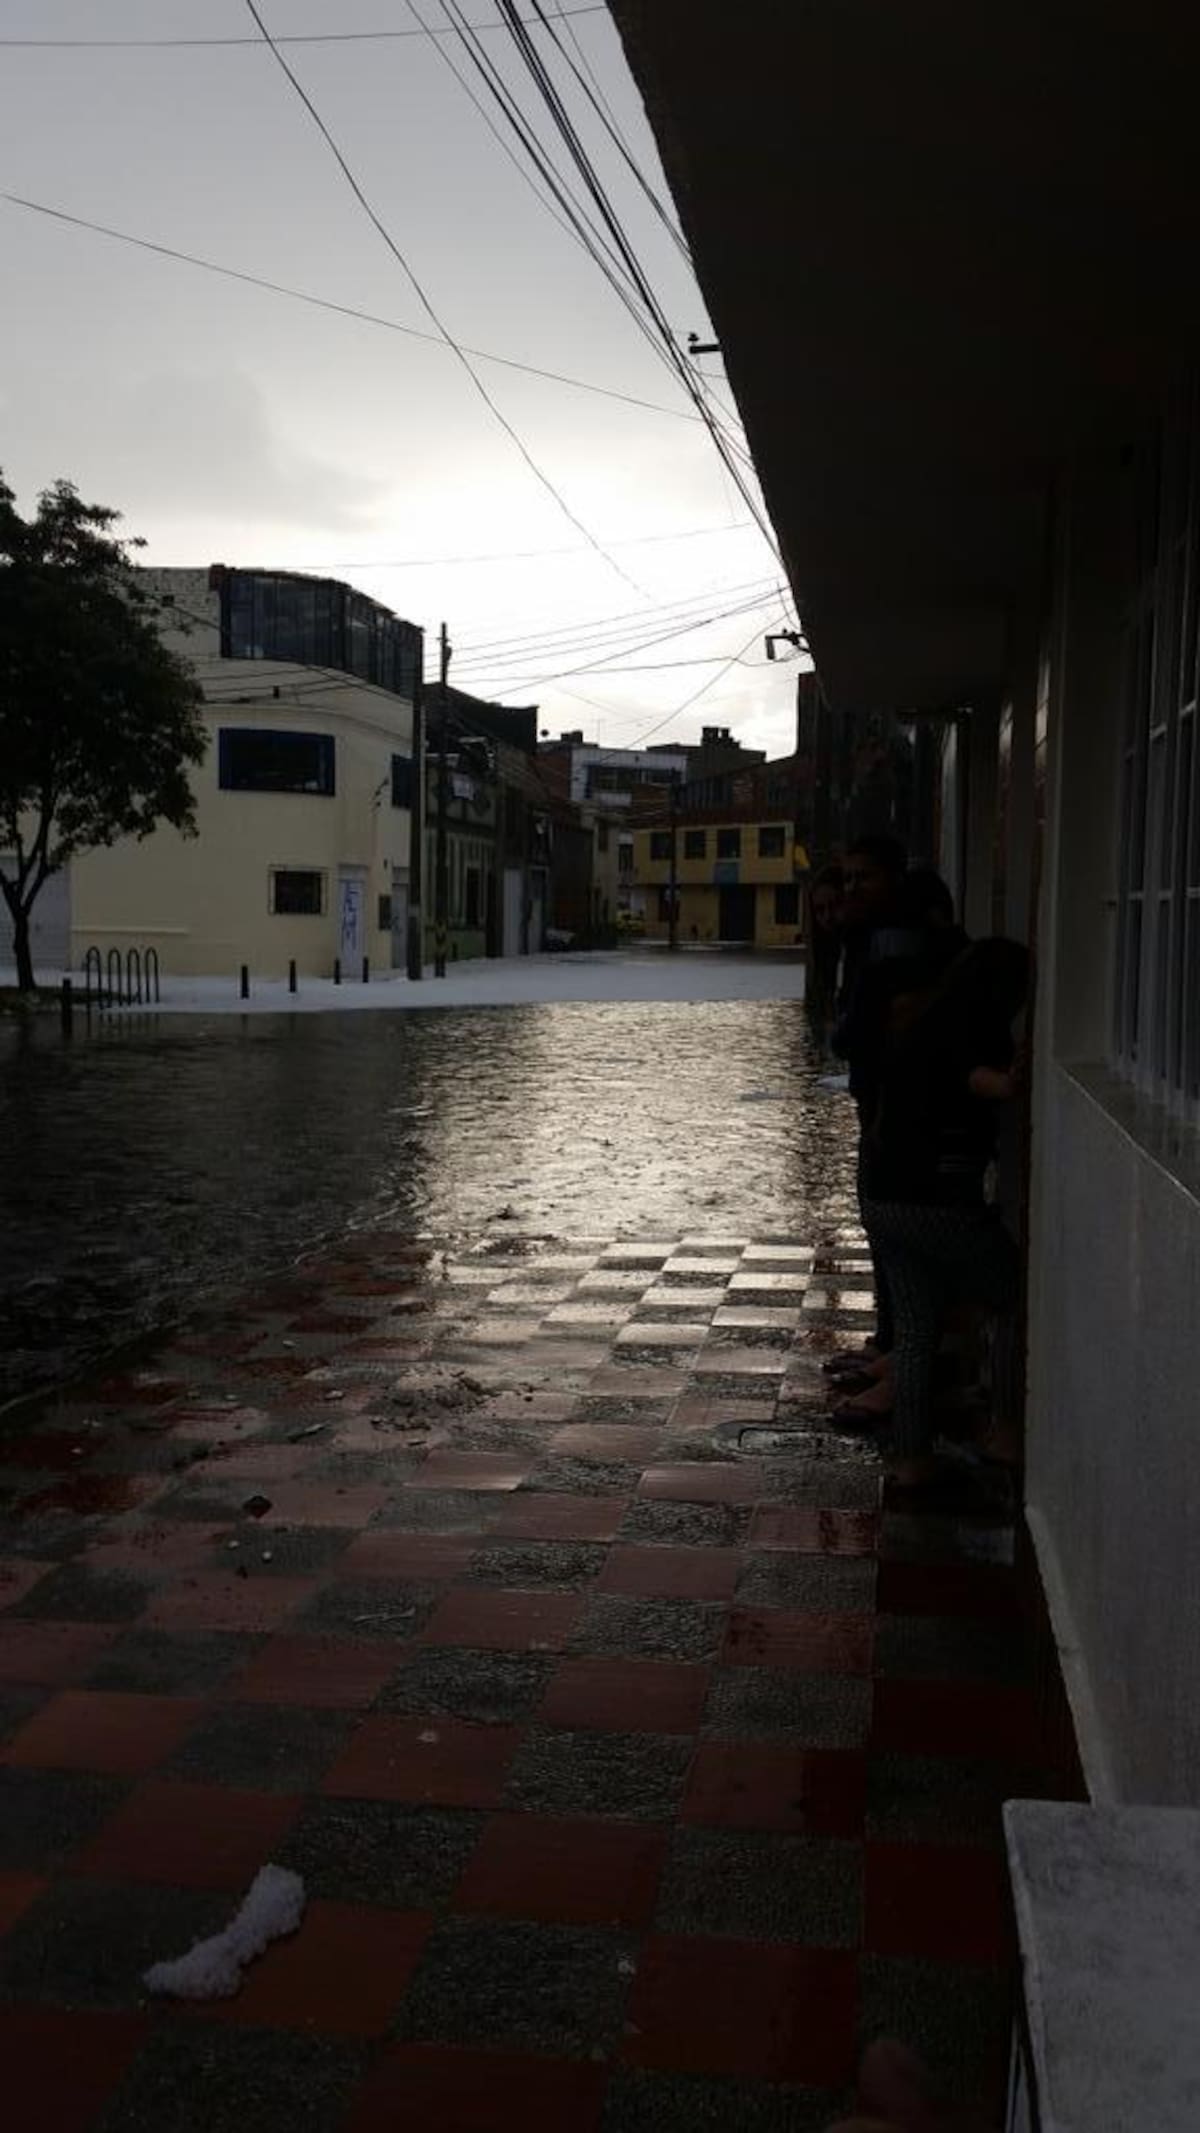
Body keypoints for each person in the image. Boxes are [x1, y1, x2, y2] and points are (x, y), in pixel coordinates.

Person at [860, 937, 1030, 1497]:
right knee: (1008, 1294)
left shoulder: (920, 1022)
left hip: (883, 1198)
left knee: (915, 1330)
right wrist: (1018, 1073)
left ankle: (909, 1459)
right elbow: (985, 1081)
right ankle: (1004, 1429)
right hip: (934, 1200)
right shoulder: (966, 1028)